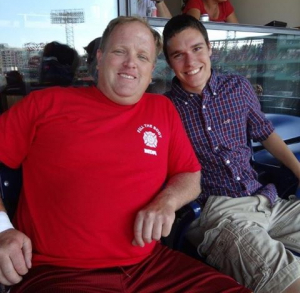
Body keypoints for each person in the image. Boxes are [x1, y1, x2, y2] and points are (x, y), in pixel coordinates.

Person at [0, 16, 250, 292]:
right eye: (120, 51)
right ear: (100, 56)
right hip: (60, 273)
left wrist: (167, 201)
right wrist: (2, 229)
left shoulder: (162, 109)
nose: (131, 63)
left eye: (142, 56)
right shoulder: (46, 104)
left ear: (152, 69)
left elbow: (189, 173)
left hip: (153, 266)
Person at [163, 14, 300, 293]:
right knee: (289, 278)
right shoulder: (164, 110)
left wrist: (299, 170)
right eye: (179, 55)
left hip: (266, 199)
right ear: (168, 62)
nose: (190, 63)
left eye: (197, 49)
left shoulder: (238, 87)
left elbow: (266, 133)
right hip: (216, 213)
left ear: (210, 48)